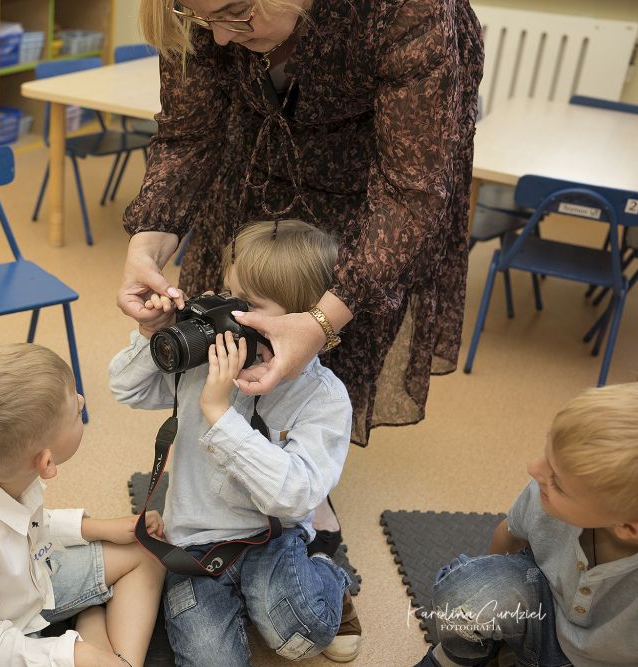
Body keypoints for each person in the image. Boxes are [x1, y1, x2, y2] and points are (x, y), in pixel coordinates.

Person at [118, 0, 484, 548]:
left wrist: (321, 321)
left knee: (328, 343)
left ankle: (306, 484)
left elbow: (411, 192)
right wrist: (147, 243)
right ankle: (247, 470)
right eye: (200, 20)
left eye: (235, 12)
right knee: (251, 303)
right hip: (257, 163)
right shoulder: (207, 17)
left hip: (371, 188)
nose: (221, 39)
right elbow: (188, 134)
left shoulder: (407, 12)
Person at [109, 220, 360, 665]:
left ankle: (328, 577)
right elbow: (126, 389)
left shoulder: (322, 397)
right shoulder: (209, 359)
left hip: (272, 539)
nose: (227, 312)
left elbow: (294, 494)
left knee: (302, 633)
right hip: (194, 545)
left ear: (300, 322)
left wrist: (220, 415)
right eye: (228, 294)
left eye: (247, 306)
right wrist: (153, 335)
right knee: (210, 658)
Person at [0, 344, 166, 667]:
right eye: (76, 412)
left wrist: (100, 527)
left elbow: (27, 524)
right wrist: (75, 655)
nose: (82, 401)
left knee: (150, 551)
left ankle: (104, 637)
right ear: (46, 463)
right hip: (1, 637)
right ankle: (96, 628)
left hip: (34, 578)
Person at [415, 383, 638, 667]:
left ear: (628, 528)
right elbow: (507, 537)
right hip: (543, 612)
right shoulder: (543, 495)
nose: (534, 469)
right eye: (547, 453)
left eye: (558, 481)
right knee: (465, 593)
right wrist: (489, 604)